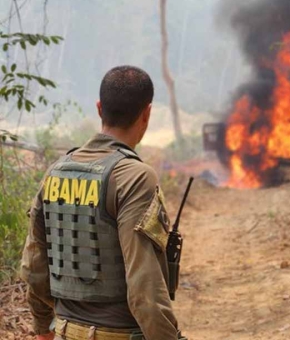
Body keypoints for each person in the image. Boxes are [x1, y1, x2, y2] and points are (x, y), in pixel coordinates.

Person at [20, 66, 182, 340]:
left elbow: (34, 263)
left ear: (99, 108)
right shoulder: (134, 177)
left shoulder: (56, 171)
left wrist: (42, 326)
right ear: (147, 113)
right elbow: (145, 290)